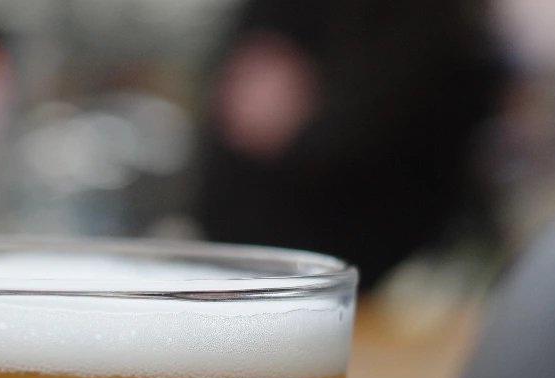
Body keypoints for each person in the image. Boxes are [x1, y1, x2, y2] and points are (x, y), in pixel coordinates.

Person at [196, 0, 508, 290]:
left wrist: (304, 116)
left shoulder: (427, 24)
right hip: (248, 254)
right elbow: (240, 91)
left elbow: (388, 108)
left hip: (376, 262)